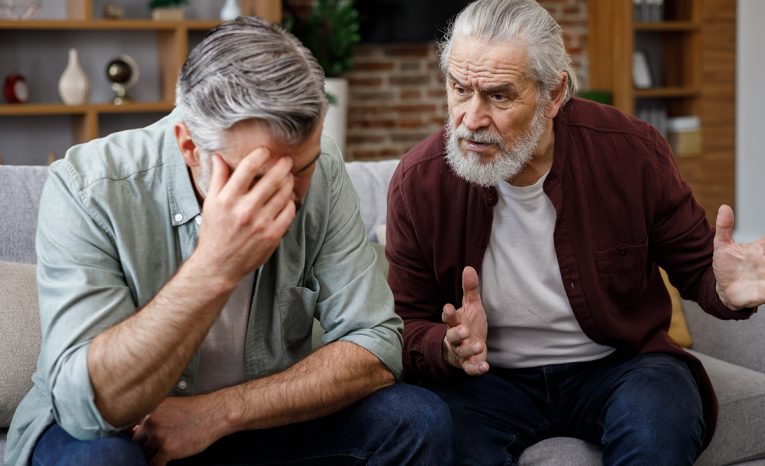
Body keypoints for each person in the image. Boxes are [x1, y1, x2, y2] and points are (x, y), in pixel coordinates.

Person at [6, 16, 453, 466]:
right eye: (257, 174)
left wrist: (220, 413)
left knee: (417, 418)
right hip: (120, 431)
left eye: (302, 168)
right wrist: (214, 266)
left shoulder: (326, 171)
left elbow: (376, 342)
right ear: (189, 147)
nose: (288, 195)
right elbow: (89, 410)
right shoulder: (89, 187)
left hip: (256, 420)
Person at [385, 0, 763, 465]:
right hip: (486, 381)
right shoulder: (420, 181)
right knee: (444, 435)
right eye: (460, 89)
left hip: (618, 364)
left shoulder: (632, 152)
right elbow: (402, 326)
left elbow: (696, 269)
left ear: (554, 94)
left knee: (659, 419)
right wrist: (445, 347)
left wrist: (724, 288)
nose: (471, 118)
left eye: (499, 96)